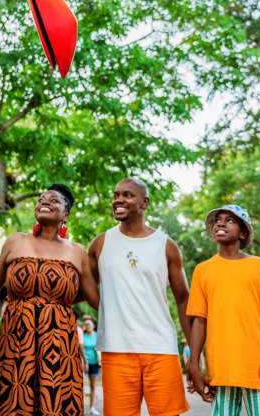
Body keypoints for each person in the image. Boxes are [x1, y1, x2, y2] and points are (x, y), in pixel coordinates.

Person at [0, 184, 98, 416]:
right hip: (17, 342)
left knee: (56, 405)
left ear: (66, 215)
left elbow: (95, 299)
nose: (45, 202)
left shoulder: (77, 252)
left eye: (53, 200)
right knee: (14, 404)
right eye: (41, 199)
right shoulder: (15, 242)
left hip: (59, 346)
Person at [88, 177, 191, 416]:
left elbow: (184, 299)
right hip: (116, 349)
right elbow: (85, 287)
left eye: (127, 195)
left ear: (144, 203)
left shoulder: (166, 245)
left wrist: (194, 355)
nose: (118, 200)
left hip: (161, 348)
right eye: (116, 195)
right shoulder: (100, 244)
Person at [187, 204, 260, 416]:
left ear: (243, 232)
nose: (220, 223)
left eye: (229, 220)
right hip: (221, 368)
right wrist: (193, 363)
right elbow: (199, 321)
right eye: (218, 220)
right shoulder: (203, 271)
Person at [83, 316, 101, 416]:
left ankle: (92, 408)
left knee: (92, 386)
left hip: (94, 363)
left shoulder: (97, 335)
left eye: (89, 324)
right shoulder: (82, 335)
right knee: (80, 385)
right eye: (86, 324)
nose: (87, 326)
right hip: (83, 364)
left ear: (93, 326)